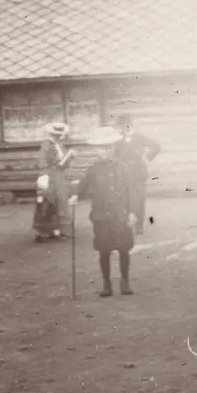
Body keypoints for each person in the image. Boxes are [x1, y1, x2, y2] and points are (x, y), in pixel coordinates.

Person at [69, 126, 138, 297]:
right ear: (96, 149)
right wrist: (76, 195)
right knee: (104, 249)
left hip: (121, 214)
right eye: (100, 147)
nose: (104, 151)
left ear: (114, 147)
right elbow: (83, 184)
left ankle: (125, 281)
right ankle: (106, 283)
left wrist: (133, 212)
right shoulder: (93, 168)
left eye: (108, 147)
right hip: (101, 215)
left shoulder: (123, 167)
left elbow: (132, 190)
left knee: (123, 249)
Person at [114, 114, 161, 234]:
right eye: (122, 126)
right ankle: (126, 223)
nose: (125, 128)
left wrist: (148, 157)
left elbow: (156, 146)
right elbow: (113, 155)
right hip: (123, 173)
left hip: (138, 173)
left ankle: (139, 225)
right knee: (124, 197)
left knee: (139, 198)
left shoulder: (140, 138)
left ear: (131, 125)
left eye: (127, 125)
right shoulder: (118, 139)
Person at [33, 122, 75, 242]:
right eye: (56, 134)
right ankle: (42, 232)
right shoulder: (46, 145)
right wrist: (44, 176)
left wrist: (69, 157)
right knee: (47, 203)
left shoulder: (60, 145)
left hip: (59, 177)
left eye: (59, 134)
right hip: (49, 177)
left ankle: (59, 231)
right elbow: (42, 162)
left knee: (60, 203)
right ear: (51, 133)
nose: (58, 136)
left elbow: (63, 164)